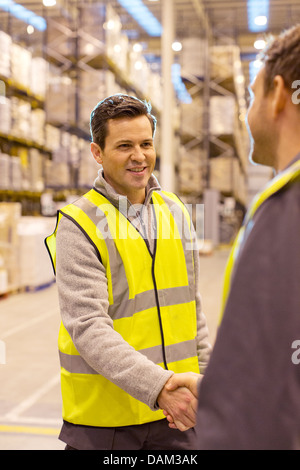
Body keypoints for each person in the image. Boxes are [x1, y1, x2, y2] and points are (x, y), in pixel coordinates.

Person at [45, 94, 211, 450]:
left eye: (146, 143)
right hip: (108, 426)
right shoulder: (80, 223)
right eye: (124, 146)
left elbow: (190, 307)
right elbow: (87, 325)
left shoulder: (175, 211)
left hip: (177, 418)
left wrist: (207, 383)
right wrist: (159, 388)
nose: (139, 156)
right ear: (97, 153)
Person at [163, 24, 300, 450]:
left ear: (279, 94)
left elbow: (258, 413)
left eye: (252, 96)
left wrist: (232, 403)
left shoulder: (286, 209)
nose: (246, 112)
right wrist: (222, 385)